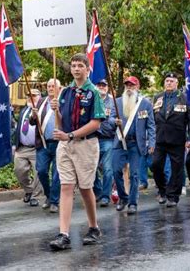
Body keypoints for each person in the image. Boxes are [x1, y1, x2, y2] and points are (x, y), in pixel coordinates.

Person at [49, 53, 106, 251]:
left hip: (85, 145)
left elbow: (96, 123)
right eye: (73, 65)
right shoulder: (65, 92)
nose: (75, 68)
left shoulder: (94, 93)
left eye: (80, 65)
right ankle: (63, 234)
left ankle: (93, 227)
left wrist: (71, 135)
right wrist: (55, 109)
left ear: (87, 69)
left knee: (85, 187)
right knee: (66, 186)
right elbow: (60, 124)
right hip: (65, 145)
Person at [112, 76, 155, 214]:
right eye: (127, 86)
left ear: (137, 87)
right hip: (119, 142)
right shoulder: (117, 102)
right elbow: (110, 118)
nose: (129, 88)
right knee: (116, 170)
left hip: (136, 144)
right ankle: (123, 197)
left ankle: (132, 203)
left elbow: (151, 125)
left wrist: (152, 142)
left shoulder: (145, 104)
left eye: (132, 85)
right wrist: (114, 121)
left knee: (134, 175)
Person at [152, 72, 190, 207]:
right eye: (167, 81)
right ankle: (162, 190)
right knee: (156, 165)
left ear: (177, 83)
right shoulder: (157, 97)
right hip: (160, 138)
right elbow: (154, 118)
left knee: (177, 169)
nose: (169, 83)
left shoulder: (184, 98)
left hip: (177, 139)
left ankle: (173, 196)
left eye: (172, 81)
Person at [30, 79, 62, 213]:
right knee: (41, 171)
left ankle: (54, 201)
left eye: (53, 86)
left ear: (59, 88)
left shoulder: (63, 101)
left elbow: (66, 120)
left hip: (59, 142)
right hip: (43, 143)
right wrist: (33, 115)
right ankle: (48, 196)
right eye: (48, 86)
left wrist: (58, 109)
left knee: (56, 174)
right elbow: (33, 122)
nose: (50, 88)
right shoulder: (41, 101)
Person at [13, 89, 43, 207]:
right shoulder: (24, 110)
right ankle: (29, 190)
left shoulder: (42, 110)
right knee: (19, 170)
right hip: (22, 148)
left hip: (36, 148)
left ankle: (36, 196)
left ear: (40, 97)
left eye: (34, 96)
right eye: (28, 96)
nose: (30, 98)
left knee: (38, 173)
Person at [92, 79, 117, 207]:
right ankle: (98, 192)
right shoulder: (91, 100)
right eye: (99, 85)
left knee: (107, 169)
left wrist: (112, 121)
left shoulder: (113, 102)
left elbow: (116, 118)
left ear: (107, 87)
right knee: (92, 168)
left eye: (104, 85)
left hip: (107, 139)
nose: (101, 87)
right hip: (92, 139)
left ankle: (106, 196)